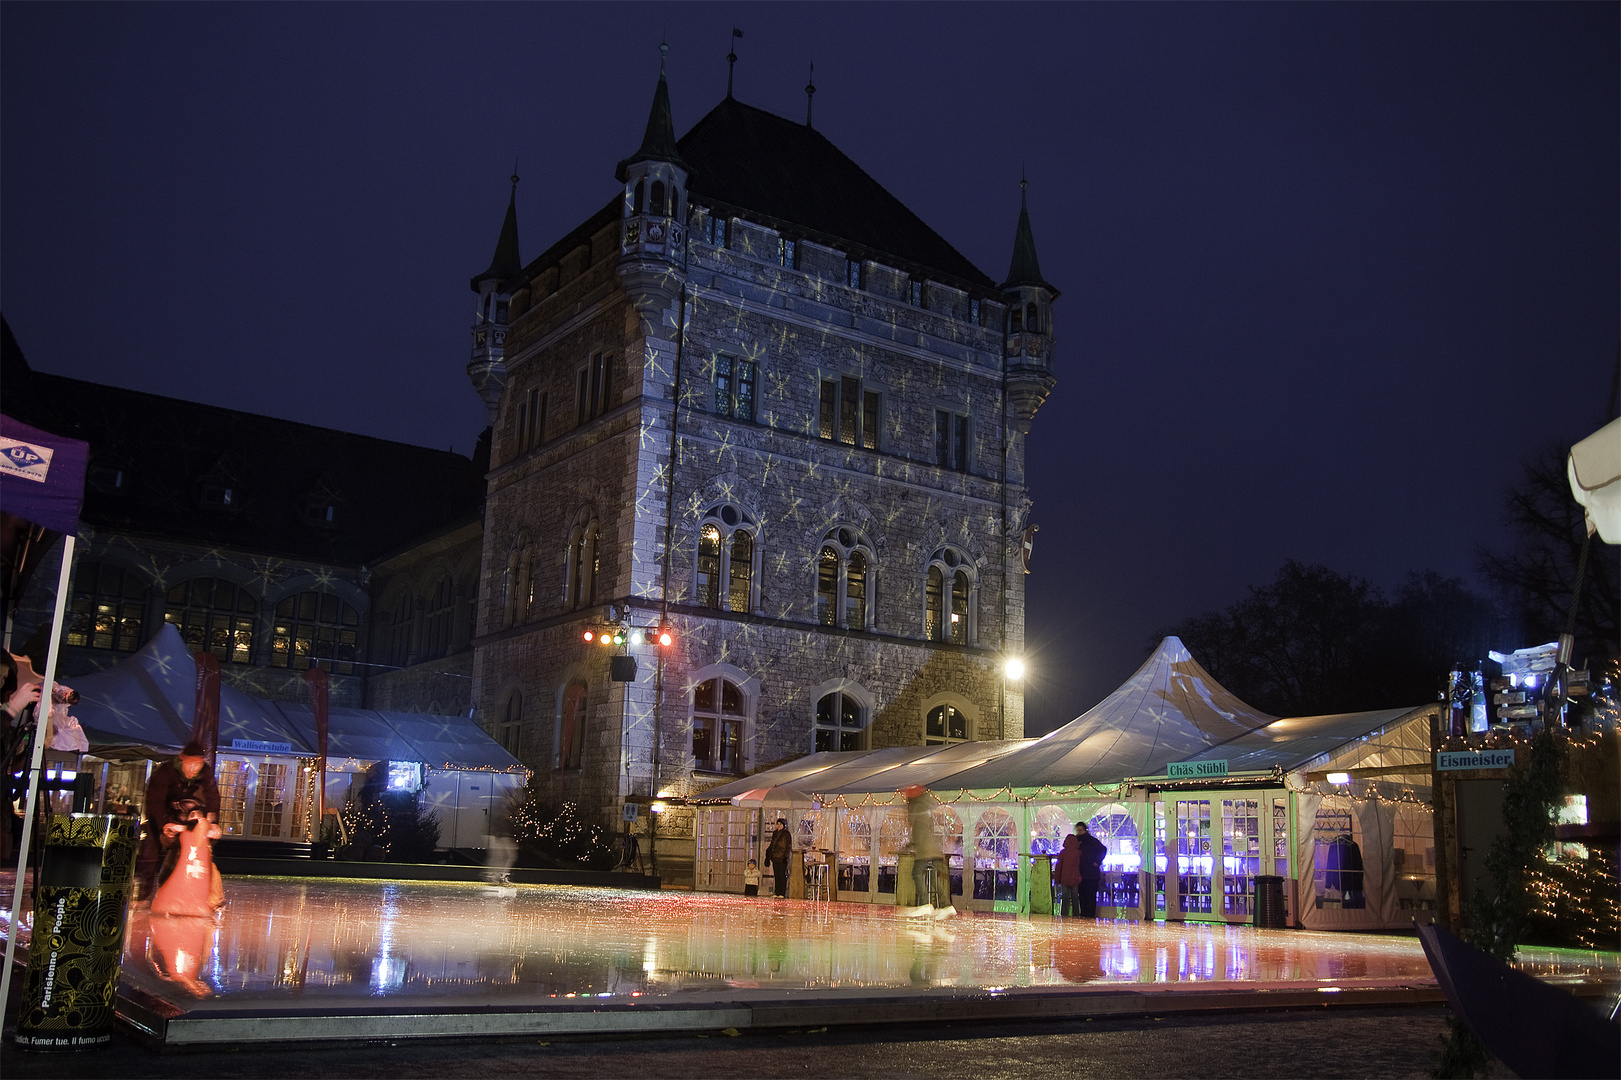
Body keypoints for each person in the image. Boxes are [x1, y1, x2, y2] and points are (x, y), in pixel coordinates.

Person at [137, 742, 221, 903]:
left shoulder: (205, 772)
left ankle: (203, 895)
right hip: (164, 813)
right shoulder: (165, 772)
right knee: (150, 849)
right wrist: (164, 824)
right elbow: (155, 802)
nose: (193, 769)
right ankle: (145, 894)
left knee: (203, 847)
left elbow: (212, 796)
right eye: (190, 764)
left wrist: (213, 821)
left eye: (197, 764)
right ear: (182, 760)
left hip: (188, 813)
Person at [901, 784, 952, 919]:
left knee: (916, 873)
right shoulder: (924, 806)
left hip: (925, 848)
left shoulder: (916, 807)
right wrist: (911, 844)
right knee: (934, 876)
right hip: (932, 847)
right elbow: (922, 829)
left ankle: (925, 905)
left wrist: (914, 843)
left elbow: (918, 829)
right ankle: (947, 905)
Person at [1075, 820, 1107, 918]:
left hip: (1090, 874)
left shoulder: (1090, 841)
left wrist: (1097, 861)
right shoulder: (1079, 841)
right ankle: (1085, 914)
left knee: (1089, 896)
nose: (1079, 832)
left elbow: (1103, 849)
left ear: (1085, 830)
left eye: (1080, 830)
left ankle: (1088, 915)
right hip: (1083, 873)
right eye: (1078, 830)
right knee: (1083, 895)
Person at [1054, 831, 1083, 917]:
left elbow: (1058, 868)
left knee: (1065, 897)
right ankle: (1076, 914)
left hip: (1065, 878)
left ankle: (1064, 914)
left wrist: (1057, 879)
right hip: (1075, 878)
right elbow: (1081, 866)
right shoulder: (1079, 853)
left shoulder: (1063, 853)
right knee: (1075, 897)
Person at [765, 817, 792, 897]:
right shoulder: (775, 833)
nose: (779, 825)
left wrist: (786, 856)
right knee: (776, 875)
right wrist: (768, 856)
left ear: (783, 825)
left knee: (781, 875)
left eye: (780, 824)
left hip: (782, 857)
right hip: (775, 857)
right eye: (778, 824)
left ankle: (782, 892)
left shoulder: (786, 834)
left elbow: (788, 846)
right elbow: (772, 844)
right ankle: (777, 892)